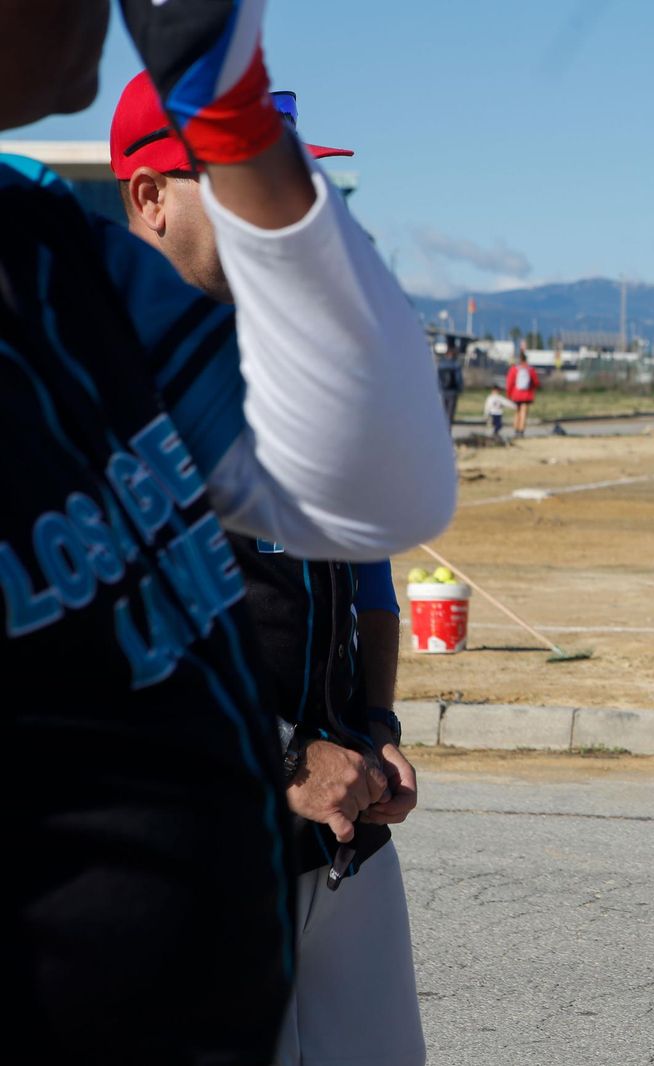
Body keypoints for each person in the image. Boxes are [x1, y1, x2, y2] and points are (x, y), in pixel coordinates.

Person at [4, 2, 456, 1062]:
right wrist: (284, 758)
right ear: (151, 195)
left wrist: (230, 104)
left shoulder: (55, 255)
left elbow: (382, 493)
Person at [112, 72, 427, 1065]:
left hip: (342, 831)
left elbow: (366, 571)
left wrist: (372, 725)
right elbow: (90, 651)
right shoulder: (92, 379)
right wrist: (289, 759)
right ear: (150, 198)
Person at [506, 349, 540, 436]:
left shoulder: (514, 369)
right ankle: (521, 430)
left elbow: (509, 382)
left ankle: (516, 429)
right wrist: (533, 389)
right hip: (527, 394)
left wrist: (509, 394)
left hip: (516, 394)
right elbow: (536, 382)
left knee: (517, 412)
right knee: (524, 412)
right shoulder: (530, 369)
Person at [437, 344, 465, 424]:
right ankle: (448, 428)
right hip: (453, 390)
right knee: (450, 411)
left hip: (443, 390)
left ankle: (443, 425)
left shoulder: (441, 364)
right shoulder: (455, 364)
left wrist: (439, 388)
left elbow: (438, 377)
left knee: (444, 410)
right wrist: (460, 388)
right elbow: (458, 378)